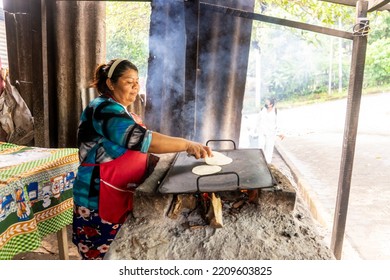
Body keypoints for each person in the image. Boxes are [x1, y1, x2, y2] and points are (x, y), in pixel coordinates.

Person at [72, 58, 213, 260]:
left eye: (137, 81)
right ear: (111, 83)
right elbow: (141, 140)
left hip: (117, 192)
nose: (136, 87)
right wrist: (187, 144)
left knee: (116, 255)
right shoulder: (103, 110)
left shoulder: (121, 110)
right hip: (97, 199)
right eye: (129, 82)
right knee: (99, 259)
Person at [256, 97, 284, 163]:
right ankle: (260, 161)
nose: (266, 103)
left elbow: (279, 123)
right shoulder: (263, 110)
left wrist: (280, 133)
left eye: (267, 102)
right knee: (260, 146)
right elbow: (258, 120)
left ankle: (268, 163)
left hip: (271, 133)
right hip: (262, 132)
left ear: (271, 104)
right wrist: (255, 129)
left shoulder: (276, 112)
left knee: (269, 148)